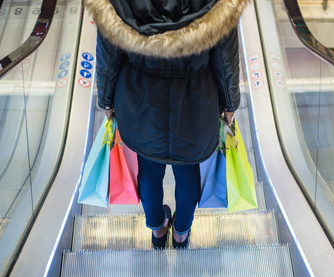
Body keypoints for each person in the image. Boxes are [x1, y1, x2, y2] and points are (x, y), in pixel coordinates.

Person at [86, 0, 250, 249]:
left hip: (141, 99)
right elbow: (225, 57)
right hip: (195, 101)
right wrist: (229, 104)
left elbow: (109, 53)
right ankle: (181, 232)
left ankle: (158, 228)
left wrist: (106, 99)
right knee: (187, 170)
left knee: (149, 169)